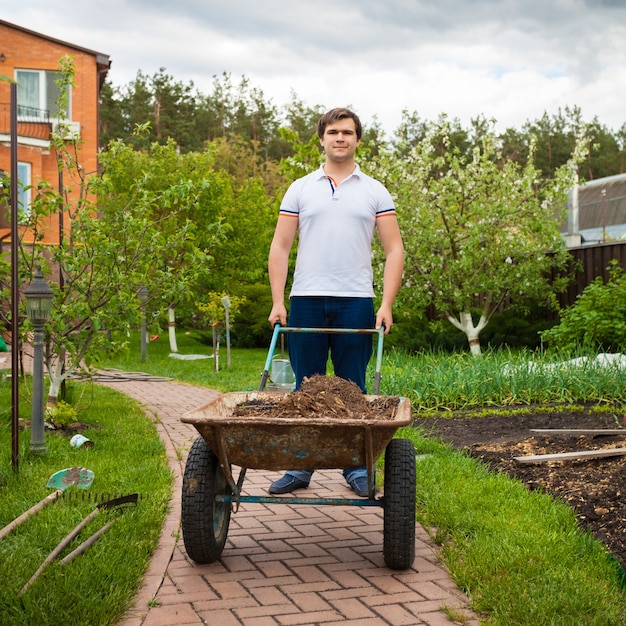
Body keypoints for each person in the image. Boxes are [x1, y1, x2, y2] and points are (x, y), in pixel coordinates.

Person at [267, 107, 404, 497]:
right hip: (306, 299)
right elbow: (280, 247)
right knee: (304, 387)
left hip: (356, 301)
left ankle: (356, 467)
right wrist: (278, 302)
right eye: (333, 132)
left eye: (347, 132)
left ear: (357, 139)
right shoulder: (300, 187)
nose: (340, 137)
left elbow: (395, 250)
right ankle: (299, 465)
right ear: (322, 139)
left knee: (352, 388)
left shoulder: (374, 190)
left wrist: (386, 304)